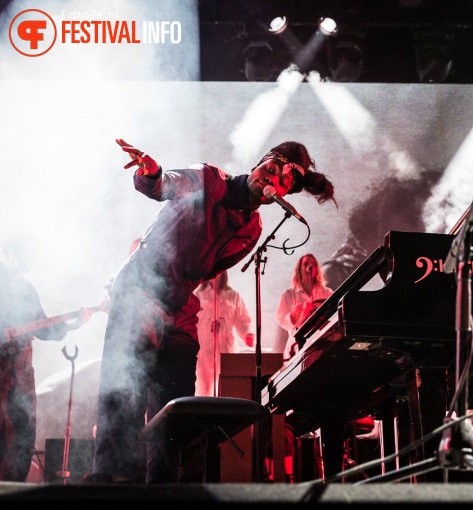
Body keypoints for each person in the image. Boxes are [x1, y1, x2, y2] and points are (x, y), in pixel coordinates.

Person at [90, 138, 335, 484]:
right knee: (124, 398)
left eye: (282, 181)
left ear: (280, 195)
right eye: (270, 167)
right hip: (141, 290)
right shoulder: (209, 179)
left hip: (179, 308)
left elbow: (212, 270)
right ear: (258, 164)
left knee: (173, 415)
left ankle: (162, 489)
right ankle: (111, 485)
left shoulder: (253, 230)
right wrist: (152, 173)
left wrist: (177, 295)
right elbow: (165, 184)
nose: (271, 177)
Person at [0, 234, 92, 481]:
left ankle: (12, 490)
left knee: (21, 437)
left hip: (19, 377)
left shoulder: (24, 288)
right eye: (26, 254)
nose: (30, 261)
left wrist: (75, 323)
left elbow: (43, 328)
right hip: (5, 376)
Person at [194, 270, 254, 397]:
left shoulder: (233, 295)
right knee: (202, 391)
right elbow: (192, 320)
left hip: (226, 350)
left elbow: (243, 320)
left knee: (226, 389)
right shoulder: (198, 294)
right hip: (203, 351)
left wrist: (247, 335)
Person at [276, 254, 333, 361]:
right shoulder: (289, 294)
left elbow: (334, 316)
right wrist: (293, 317)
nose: (310, 266)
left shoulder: (327, 292)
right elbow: (281, 317)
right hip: (295, 346)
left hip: (321, 346)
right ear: (299, 268)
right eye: (306, 264)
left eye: (313, 264)